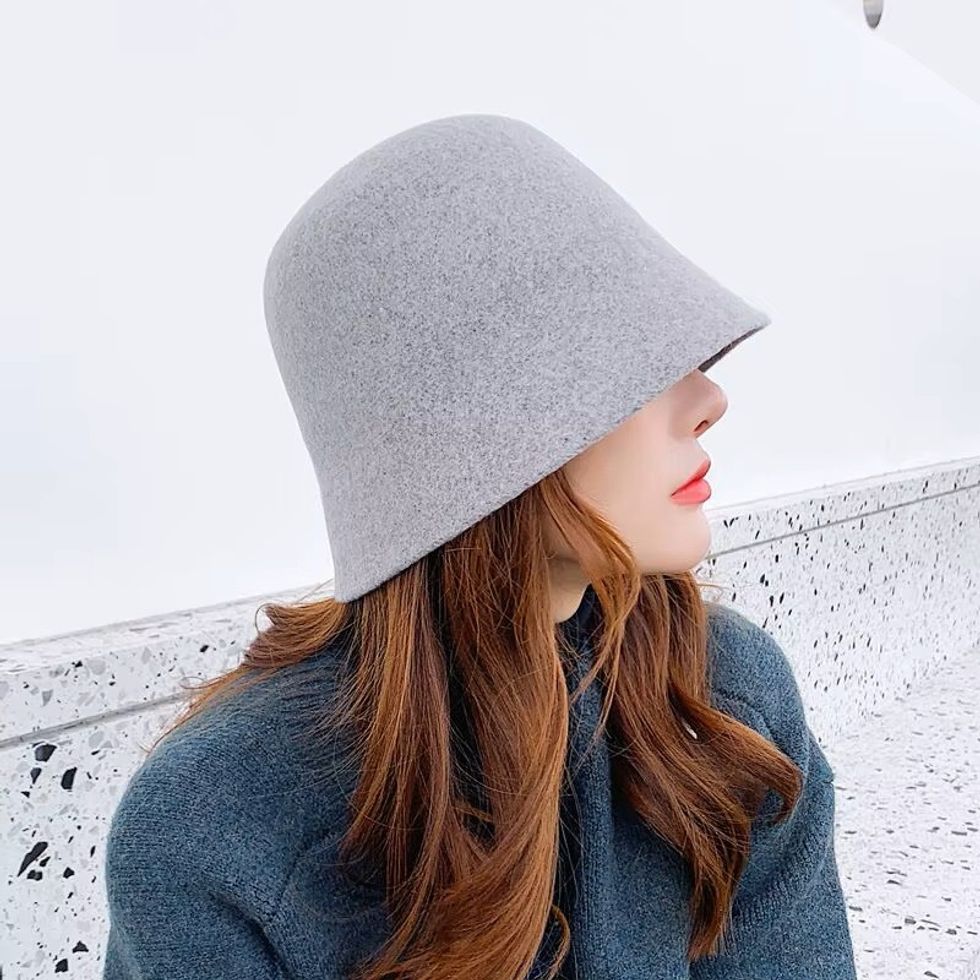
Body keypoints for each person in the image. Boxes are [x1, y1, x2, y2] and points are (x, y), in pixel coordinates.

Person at [101, 113, 858, 979]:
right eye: (627, 362)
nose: (708, 399)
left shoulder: (718, 704)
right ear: (463, 434)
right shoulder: (215, 830)